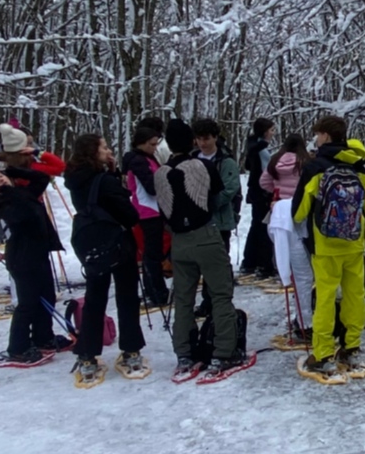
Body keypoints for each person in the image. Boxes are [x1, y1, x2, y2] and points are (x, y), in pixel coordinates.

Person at [157, 119, 243, 377]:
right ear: (191, 141)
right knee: (220, 293)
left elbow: (163, 207)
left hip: (179, 240)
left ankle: (183, 352)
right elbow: (215, 195)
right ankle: (223, 352)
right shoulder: (202, 166)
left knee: (183, 298)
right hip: (205, 233)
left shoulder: (160, 172)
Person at [294, 118, 365, 379]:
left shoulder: (316, 167)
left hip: (325, 243)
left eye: (317, 134)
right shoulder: (359, 167)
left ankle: (322, 353)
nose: (315, 139)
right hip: (354, 242)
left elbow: (298, 211)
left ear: (326, 136)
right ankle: (351, 347)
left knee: (326, 297)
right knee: (355, 294)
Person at [63, 133, 148, 382]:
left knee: (94, 299)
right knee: (127, 297)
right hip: (118, 245)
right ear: (93, 151)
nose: (108, 150)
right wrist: (115, 180)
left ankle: (87, 355)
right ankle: (131, 350)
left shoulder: (75, 180)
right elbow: (130, 215)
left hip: (92, 246)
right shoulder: (105, 181)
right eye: (103, 147)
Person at [0, 158, 64, 365]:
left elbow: (42, 177)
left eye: (1, 177)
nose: (0, 181)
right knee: (27, 304)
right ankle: (17, 348)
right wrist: (7, 190)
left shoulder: (24, 193)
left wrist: (13, 169)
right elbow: (22, 215)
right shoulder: (1, 204)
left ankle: (44, 338)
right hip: (22, 259)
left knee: (48, 298)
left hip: (39, 254)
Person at [264, 133, 313, 344]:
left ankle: (301, 317)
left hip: (279, 217)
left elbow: (263, 182)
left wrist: (278, 189)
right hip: (300, 216)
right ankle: (307, 322)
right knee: (305, 273)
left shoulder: (275, 160)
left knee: (291, 267)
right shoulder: (307, 161)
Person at [121, 118, 171, 311]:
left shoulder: (145, 158)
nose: (154, 148)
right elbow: (150, 187)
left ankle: (156, 290)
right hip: (147, 212)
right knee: (151, 255)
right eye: (151, 145)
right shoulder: (138, 161)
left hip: (153, 210)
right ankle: (156, 292)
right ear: (141, 143)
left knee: (154, 253)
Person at [193, 117, 242, 258]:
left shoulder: (227, 162)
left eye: (206, 139)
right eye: (199, 139)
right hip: (196, 223)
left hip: (219, 221)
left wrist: (206, 205)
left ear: (215, 138)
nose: (202, 143)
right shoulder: (192, 158)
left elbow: (229, 190)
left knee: (220, 259)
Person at [239, 117, 278, 280]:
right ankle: (264, 264)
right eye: (271, 130)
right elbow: (267, 170)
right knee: (263, 227)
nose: (273, 133)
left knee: (256, 226)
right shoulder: (260, 148)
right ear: (264, 131)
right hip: (262, 193)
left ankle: (250, 262)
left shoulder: (252, 145)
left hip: (255, 192)